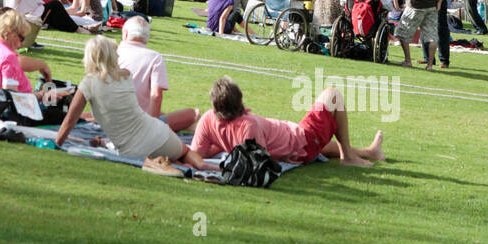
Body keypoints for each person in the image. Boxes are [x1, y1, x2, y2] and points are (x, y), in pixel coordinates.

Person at [54, 36, 211, 170]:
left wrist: (57, 145)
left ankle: (184, 167)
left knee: (174, 159)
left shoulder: (88, 83)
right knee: (183, 153)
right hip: (158, 135)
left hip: (133, 150)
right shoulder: (125, 76)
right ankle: (205, 167)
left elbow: (70, 121)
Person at [192, 77, 386, 167]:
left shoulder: (207, 120)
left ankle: (370, 153)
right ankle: (348, 157)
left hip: (297, 139)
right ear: (239, 101)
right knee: (332, 95)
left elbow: (197, 154)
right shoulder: (248, 125)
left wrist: (222, 145)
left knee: (321, 143)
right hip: (301, 142)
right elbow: (259, 164)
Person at [116, 15, 197, 132]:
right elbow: (156, 96)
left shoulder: (114, 52)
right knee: (191, 114)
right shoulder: (154, 58)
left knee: (164, 114)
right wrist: (150, 127)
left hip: (111, 116)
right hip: (137, 122)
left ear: (125, 34)